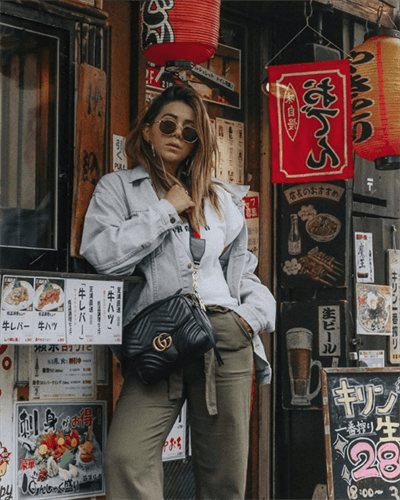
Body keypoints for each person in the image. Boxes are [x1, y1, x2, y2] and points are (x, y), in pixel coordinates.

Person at [80, 83, 276, 500]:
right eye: (168, 124)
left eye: (189, 132)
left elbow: (242, 276)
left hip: (225, 336)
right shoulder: (118, 189)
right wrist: (165, 208)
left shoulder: (222, 199)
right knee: (126, 458)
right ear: (148, 130)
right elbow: (102, 255)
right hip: (160, 337)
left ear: (197, 143)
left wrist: (252, 318)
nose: (177, 135)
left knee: (222, 479)